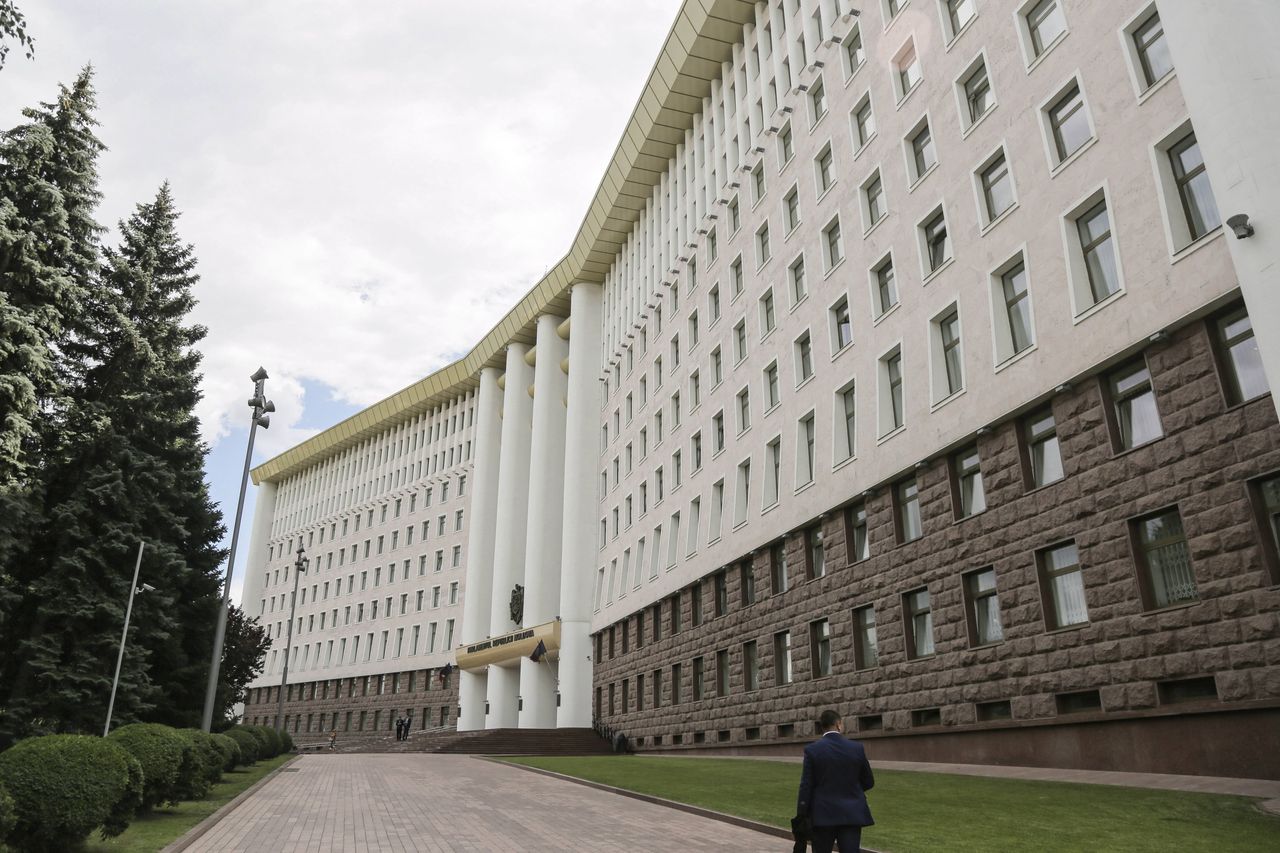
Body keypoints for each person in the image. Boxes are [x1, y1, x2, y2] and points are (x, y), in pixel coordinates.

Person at [795, 709, 875, 853]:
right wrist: (853, 790)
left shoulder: (812, 750)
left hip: (822, 815)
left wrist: (801, 813)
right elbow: (869, 781)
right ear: (838, 724)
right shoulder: (856, 748)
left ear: (822, 727)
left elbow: (806, 785)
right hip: (851, 813)